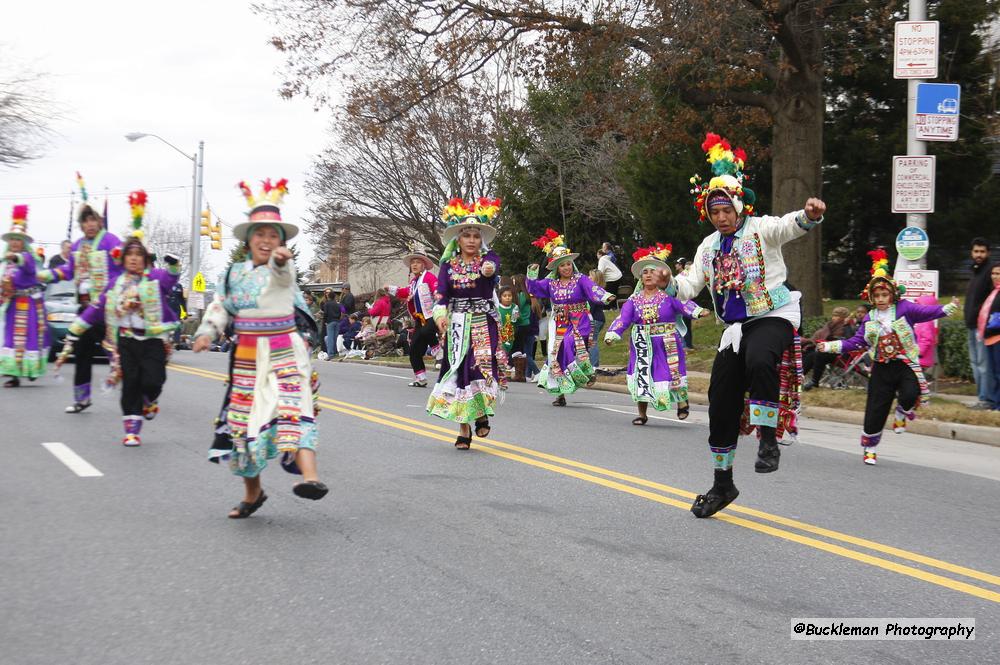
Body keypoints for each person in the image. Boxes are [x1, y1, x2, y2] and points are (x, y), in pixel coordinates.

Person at [673, 133, 823, 518]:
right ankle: (723, 483)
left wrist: (809, 215)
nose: (721, 217)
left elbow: (789, 226)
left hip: (774, 313)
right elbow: (691, 284)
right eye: (714, 212)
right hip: (735, 327)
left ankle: (769, 440)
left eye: (726, 210)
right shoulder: (707, 248)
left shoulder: (760, 229)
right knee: (720, 403)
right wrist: (667, 281)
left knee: (760, 359)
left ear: (739, 207)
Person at [194, 178, 327, 518]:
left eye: (274, 236)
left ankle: (310, 478)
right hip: (247, 355)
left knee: (292, 410)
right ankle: (253, 494)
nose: (267, 241)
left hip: (284, 348)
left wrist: (281, 262)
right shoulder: (233, 275)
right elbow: (220, 307)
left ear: (282, 242)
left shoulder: (284, 269)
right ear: (248, 240)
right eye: (260, 235)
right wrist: (208, 332)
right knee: (242, 423)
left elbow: (284, 280)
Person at [817, 249, 959, 464]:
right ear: (872, 298)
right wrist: (828, 347)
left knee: (911, 393)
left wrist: (947, 308)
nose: (882, 299)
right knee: (876, 409)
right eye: (877, 296)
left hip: (905, 364)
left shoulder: (905, 309)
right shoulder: (869, 318)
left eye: (885, 295)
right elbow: (855, 342)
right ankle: (870, 449)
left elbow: (925, 313)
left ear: (892, 294)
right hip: (881, 367)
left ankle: (903, 412)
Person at [63, 191, 181, 446]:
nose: (135, 259)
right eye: (130, 255)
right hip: (126, 340)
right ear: (123, 259)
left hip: (153, 341)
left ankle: (150, 399)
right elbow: (96, 308)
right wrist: (76, 329)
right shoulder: (115, 284)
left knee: (152, 381)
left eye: (139, 255)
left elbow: (172, 278)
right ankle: (131, 430)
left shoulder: (156, 277)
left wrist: (173, 265)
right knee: (130, 384)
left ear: (145, 259)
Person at [426, 197, 504, 449]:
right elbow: (441, 296)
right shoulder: (447, 267)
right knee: (458, 370)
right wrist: (440, 317)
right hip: (457, 323)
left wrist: (489, 269)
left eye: (476, 235)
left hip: (483, 322)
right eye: (466, 235)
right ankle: (463, 428)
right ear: (457, 240)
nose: (471, 240)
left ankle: (480, 413)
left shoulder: (487, 261)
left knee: (479, 367)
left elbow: (492, 268)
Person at [605, 244, 709, 423]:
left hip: (667, 342)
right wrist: (613, 333)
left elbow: (684, 305)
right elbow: (623, 318)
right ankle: (642, 413)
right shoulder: (633, 300)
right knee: (642, 375)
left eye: (652, 271)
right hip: (642, 343)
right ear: (640, 277)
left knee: (672, 372)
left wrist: (697, 311)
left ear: (659, 276)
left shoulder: (668, 297)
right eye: (644, 271)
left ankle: (682, 402)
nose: (647, 274)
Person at [40, 196, 123, 413]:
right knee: (82, 353)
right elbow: (68, 271)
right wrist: (46, 275)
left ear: (99, 221)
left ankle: (139, 396)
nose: (90, 224)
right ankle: (82, 398)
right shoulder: (77, 245)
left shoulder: (111, 241)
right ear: (81, 224)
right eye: (85, 221)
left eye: (93, 219)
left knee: (116, 354)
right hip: (85, 309)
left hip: (107, 309)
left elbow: (125, 265)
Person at [526, 228, 614, 406]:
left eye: (568, 264)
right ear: (557, 268)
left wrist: (605, 296)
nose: (566, 268)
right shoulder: (551, 283)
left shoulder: (580, 279)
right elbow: (533, 288)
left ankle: (586, 372)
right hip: (559, 322)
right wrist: (532, 274)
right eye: (562, 265)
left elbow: (593, 289)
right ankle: (561, 393)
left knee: (569, 344)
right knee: (556, 353)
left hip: (579, 320)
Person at [1, 205, 50, 386]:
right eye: (13, 239)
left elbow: (26, 265)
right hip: (13, 304)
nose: (15, 242)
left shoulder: (28, 257)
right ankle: (12, 374)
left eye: (18, 240)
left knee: (31, 337)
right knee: (11, 338)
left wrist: (14, 258)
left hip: (29, 304)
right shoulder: (6, 263)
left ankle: (32, 369)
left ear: (24, 243)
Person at [386, 247, 438, 386]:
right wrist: (389, 288)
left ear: (424, 264)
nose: (414, 265)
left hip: (431, 316)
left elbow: (437, 290)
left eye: (417, 262)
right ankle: (421, 378)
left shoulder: (429, 277)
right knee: (414, 349)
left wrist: (439, 298)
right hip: (419, 319)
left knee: (428, 331)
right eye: (412, 262)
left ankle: (438, 351)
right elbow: (404, 292)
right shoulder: (414, 282)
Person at [964, 238, 995, 409]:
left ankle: (986, 400)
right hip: (971, 325)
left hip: (982, 327)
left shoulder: (990, 272)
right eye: (976, 251)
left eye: (982, 252)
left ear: (988, 253)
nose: (979, 255)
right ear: (971, 252)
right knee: (975, 363)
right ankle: (981, 398)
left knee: (983, 364)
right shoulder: (975, 271)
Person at [801, 306, 852, 390]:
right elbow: (821, 336)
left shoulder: (846, 327)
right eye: (834, 315)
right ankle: (798, 377)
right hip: (828, 351)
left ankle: (814, 381)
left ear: (843, 317)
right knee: (810, 353)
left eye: (837, 316)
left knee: (819, 354)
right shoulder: (830, 326)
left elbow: (847, 340)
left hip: (841, 354)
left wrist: (830, 341)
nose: (834, 318)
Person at [977, 262, 1000, 410]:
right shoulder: (994, 291)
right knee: (994, 373)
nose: (995, 276)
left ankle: (998, 404)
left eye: (998, 273)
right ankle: (995, 402)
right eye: (993, 273)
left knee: (998, 373)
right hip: (990, 338)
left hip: (997, 338)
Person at [587, 269, 608, 369]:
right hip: (599, 319)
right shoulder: (600, 291)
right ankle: (590, 364)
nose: (588, 277)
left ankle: (594, 365)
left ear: (596, 278)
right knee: (590, 342)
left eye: (590, 276)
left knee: (592, 342)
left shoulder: (594, 291)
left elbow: (590, 308)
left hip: (594, 319)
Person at [674, 258, 695, 349]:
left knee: (684, 323)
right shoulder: (680, 275)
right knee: (685, 323)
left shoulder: (684, 275)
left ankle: (687, 345)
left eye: (678, 263)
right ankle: (688, 344)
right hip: (683, 302)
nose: (676, 265)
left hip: (685, 302)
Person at [321, 288, 344, 359]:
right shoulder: (338, 304)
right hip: (337, 321)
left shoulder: (327, 304)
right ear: (334, 297)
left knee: (330, 338)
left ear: (328, 297)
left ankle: (331, 354)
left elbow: (325, 314)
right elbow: (343, 310)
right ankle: (335, 352)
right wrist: (340, 318)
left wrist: (324, 321)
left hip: (330, 322)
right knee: (335, 338)